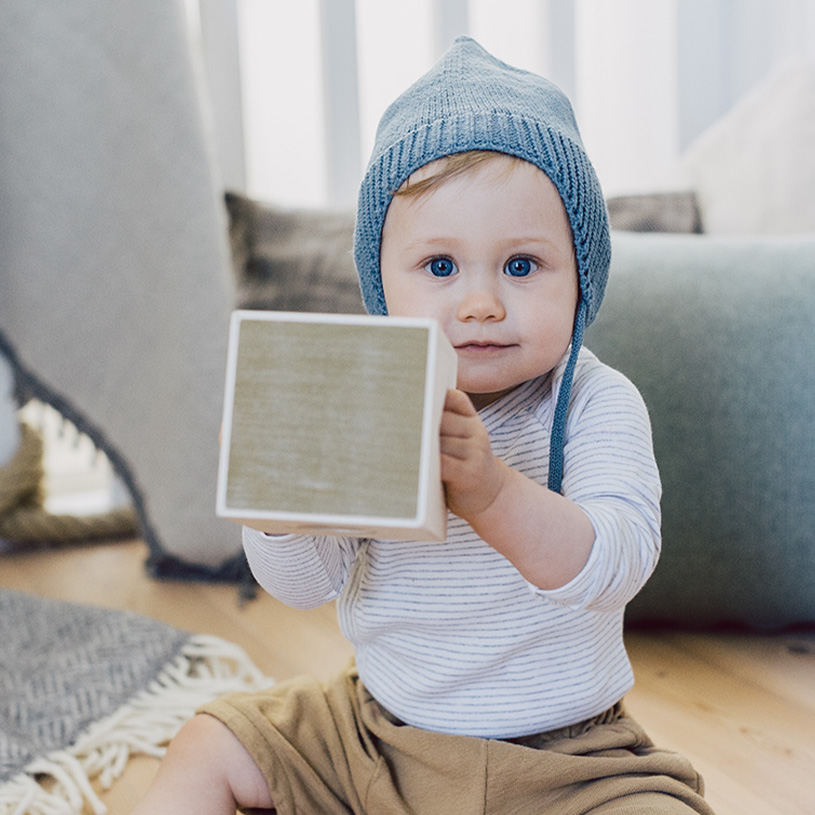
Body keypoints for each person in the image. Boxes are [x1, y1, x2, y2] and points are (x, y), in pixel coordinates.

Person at [132, 37, 715, 815]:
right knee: (210, 742)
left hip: (566, 758)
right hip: (374, 735)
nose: (479, 303)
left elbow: (616, 560)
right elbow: (306, 586)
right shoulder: (370, 397)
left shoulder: (592, 402)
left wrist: (491, 490)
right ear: (383, 286)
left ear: (582, 279)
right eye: (440, 267)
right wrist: (273, 509)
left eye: (520, 266)